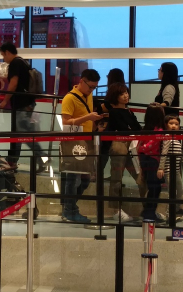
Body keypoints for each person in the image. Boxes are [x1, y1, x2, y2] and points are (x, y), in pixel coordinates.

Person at [59, 69, 103, 223]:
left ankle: (68, 206)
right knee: (72, 178)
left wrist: (94, 122)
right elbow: (65, 122)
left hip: (87, 141)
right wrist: (87, 117)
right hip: (74, 143)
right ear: (81, 81)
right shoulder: (69, 98)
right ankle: (70, 210)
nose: (91, 90)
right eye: (90, 86)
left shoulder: (88, 96)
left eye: (94, 87)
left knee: (85, 179)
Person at [0, 43, 45, 170]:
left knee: (22, 134)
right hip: (27, 103)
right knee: (18, 134)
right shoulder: (24, 62)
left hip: (21, 104)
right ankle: (12, 161)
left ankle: (42, 158)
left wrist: (5, 100)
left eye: (3, 55)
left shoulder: (15, 63)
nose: (3, 58)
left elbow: (13, 84)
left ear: (8, 52)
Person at [101, 83, 141, 222]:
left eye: (126, 92)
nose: (125, 96)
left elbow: (137, 128)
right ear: (115, 96)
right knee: (116, 178)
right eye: (122, 93)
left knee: (140, 176)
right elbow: (125, 128)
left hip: (132, 146)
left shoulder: (128, 111)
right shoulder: (114, 112)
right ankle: (116, 210)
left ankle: (148, 208)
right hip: (119, 145)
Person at [137, 104, 168, 223]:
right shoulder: (159, 131)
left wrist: (140, 152)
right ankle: (149, 214)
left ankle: (148, 211)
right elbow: (150, 145)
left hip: (144, 160)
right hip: (152, 161)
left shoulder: (145, 129)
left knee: (153, 187)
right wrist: (143, 149)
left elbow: (139, 145)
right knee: (154, 188)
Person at [160, 115, 183, 218]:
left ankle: (176, 209)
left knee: (180, 191)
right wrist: (161, 168)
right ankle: (169, 215)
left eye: (176, 124)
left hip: (176, 171)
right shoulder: (167, 138)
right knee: (172, 192)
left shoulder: (176, 140)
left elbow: (180, 156)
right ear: (166, 125)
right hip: (168, 170)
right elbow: (164, 153)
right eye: (171, 123)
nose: (174, 126)